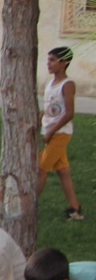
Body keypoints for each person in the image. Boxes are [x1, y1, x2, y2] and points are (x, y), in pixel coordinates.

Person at [39, 46, 83, 219]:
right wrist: (39, 121)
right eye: (48, 59)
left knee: (41, 168)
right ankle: (75, 209)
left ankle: (28, 206)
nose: (48, 63)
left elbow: (69, 113)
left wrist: (51, 131)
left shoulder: (68, 84)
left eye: (52, 60)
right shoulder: (50, 83)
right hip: (49, 130)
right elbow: (47, 106)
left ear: (63, 63)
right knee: (63, 171)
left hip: (61, 133)